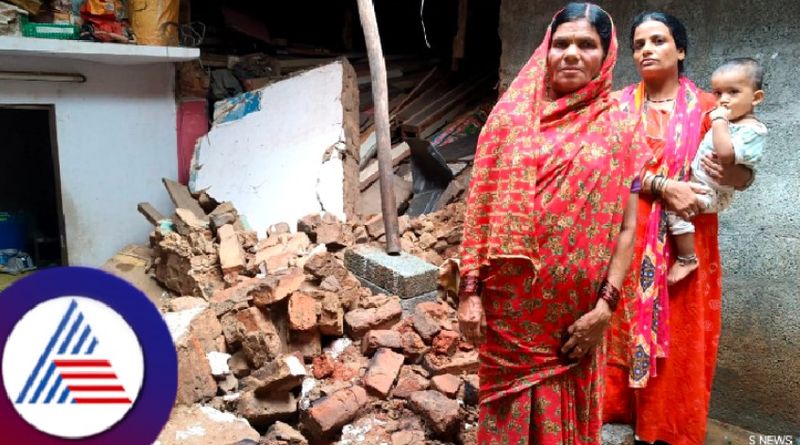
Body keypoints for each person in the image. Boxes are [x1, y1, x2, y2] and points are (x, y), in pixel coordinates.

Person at [456, 3, 651, 444]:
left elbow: (626, 229)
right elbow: (479, 210)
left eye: (587, 44)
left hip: (576, 327)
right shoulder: (509, 120)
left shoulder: (621, 128)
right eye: (560, 43)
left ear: (606, 55)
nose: (570, 53)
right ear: (545, 49)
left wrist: (605, 309)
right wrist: (469, 293)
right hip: (510, 320)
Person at [603, 12, 755, 445]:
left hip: (688, 241)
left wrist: (738, 178)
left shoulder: (713, 108)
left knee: (683, 334)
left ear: (681, 50)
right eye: (638, 44)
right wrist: (660, 184)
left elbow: (742, 168)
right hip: (625, 236)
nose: (646, 49)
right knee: (618, 324)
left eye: (658, 40)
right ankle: (615, 413)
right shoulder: (617, 107)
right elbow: (603, 169)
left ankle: (665, 428)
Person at [666, 58, 767, 284]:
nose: (723, 100)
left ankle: (687, 258)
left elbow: (726, 155)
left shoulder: (749, 129)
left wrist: (719, 121)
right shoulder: (726, 118)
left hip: (711, 192)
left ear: (756, 98)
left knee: (675, 210)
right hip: (700, 184)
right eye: (718, 93)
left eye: (733, 92)